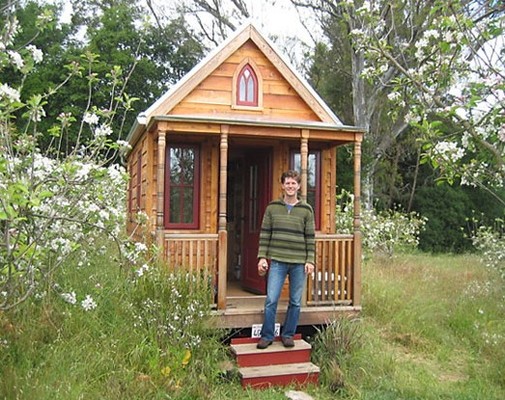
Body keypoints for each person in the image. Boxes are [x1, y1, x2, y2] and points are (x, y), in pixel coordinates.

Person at [256, 170, 315, 349]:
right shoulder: (272, 208)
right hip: (278, 261)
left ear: (298, 186)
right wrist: (262, 258)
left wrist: (310, 260)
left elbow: (310, 237)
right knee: (271, 299)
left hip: (299, 262)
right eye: (287, 183)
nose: (290, 186)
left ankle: (288, 335)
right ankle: (267, 336)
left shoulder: (306, 210)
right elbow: (265, 234)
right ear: (282, 185)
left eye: (293, 183)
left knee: (295, 302)